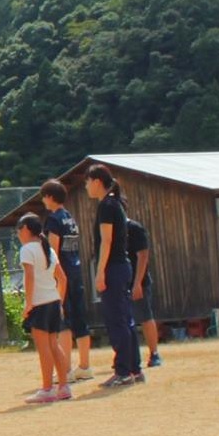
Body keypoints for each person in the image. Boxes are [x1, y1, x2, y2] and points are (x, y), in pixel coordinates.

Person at [86, 165, 143, 387]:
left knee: (116, 321)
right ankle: (134, 369)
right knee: (125, 320)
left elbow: (106, 241)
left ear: (97, 181)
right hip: (122, 267)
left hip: (114, 268)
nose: (86, 186)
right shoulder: (114, 203)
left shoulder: (107, 205)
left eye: (87, 182)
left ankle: (123, 372)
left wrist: (100, 272)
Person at [40, 180, 94, 382]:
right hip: (76, 270)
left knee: (63, 321)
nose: (43, 200)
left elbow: (53, 249)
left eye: (44, 196)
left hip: (61, 274)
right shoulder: (69, 218)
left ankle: (66, 370)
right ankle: (85, 366)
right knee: (80, 319)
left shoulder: (53, 219)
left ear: (50, 197)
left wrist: (51, 275)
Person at [16, 214, 71, 404]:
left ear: (25, 229)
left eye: (18, 230)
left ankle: (47, 388)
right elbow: (62, 279)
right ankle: (63, 386)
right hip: (54, 301)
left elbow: (29, 277)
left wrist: (28, 303)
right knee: (54, 344)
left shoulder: (27, 250)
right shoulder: (48, 250)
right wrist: (60, 302)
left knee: (44, 348)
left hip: (39, 303)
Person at [128, 216, 161, 368]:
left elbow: (143, 255)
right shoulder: (111, 229)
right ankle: (128, 355)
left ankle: (154, 353)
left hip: (138, 280)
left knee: (145, 316)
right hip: (120, 280)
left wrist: (137, 283)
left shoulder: (135, 228)